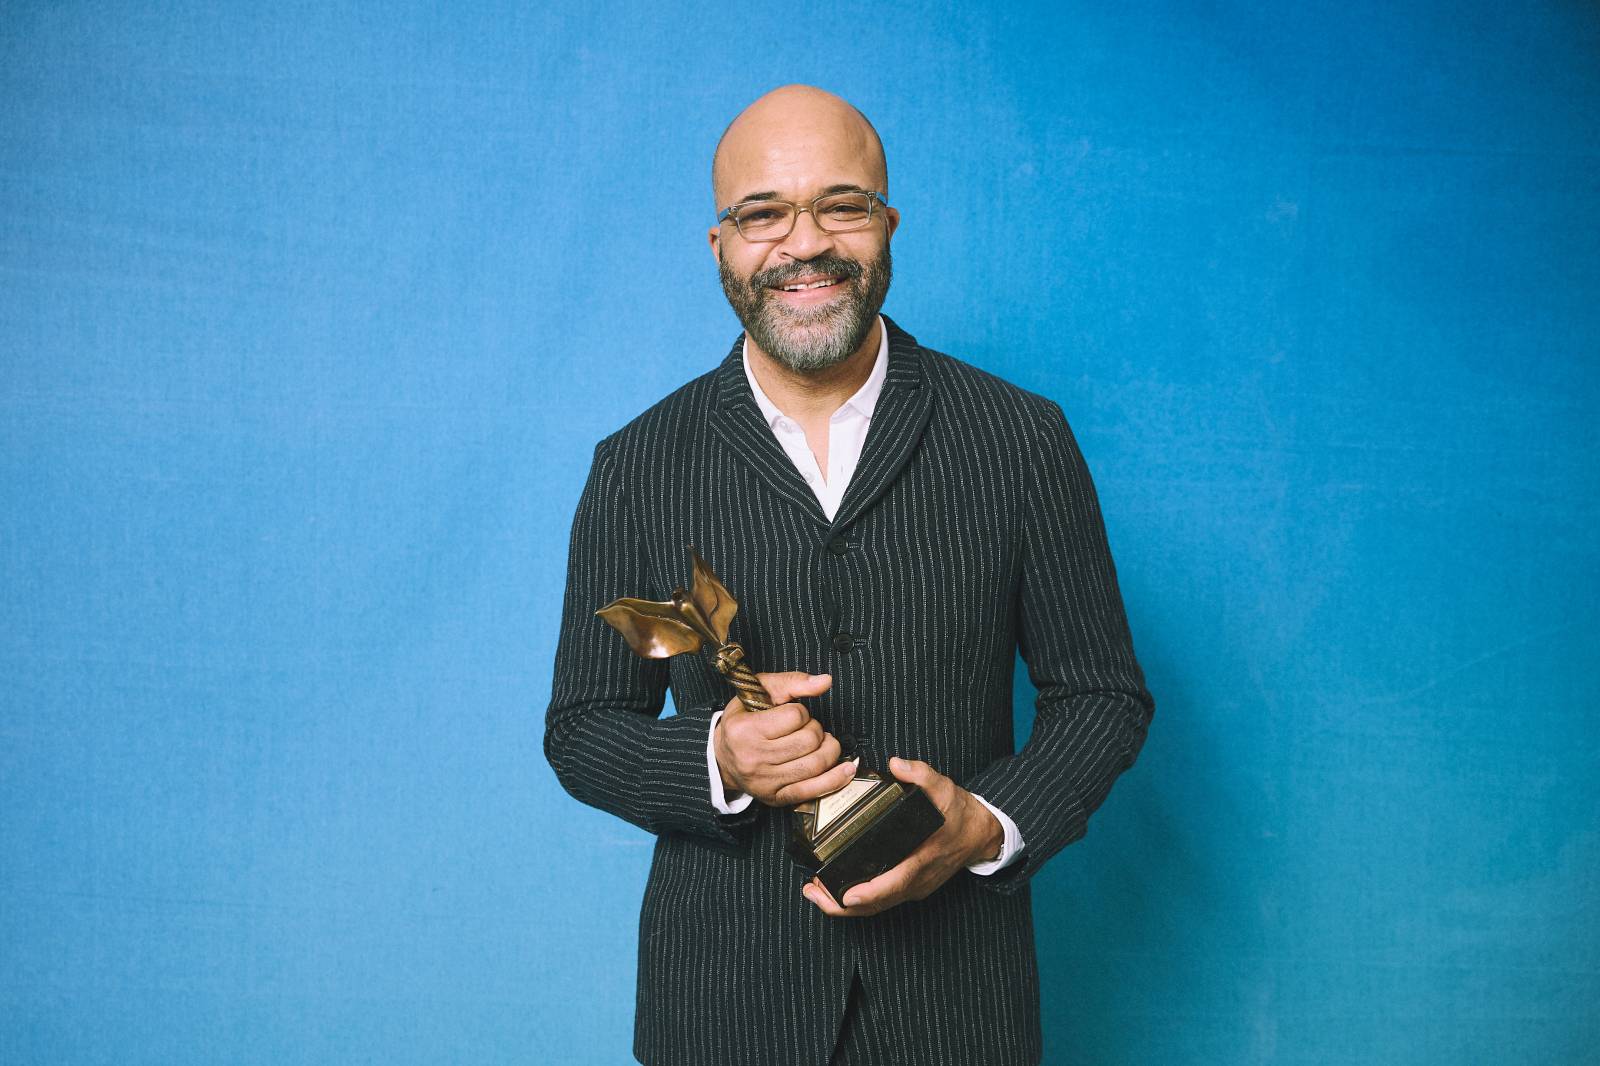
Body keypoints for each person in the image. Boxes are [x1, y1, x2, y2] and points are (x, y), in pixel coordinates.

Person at [546, 84, 1153, 1066]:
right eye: (762, 213)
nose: (803, 242)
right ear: (720, 246)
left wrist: (986, 826)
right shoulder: (637, 465)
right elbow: (582, 728)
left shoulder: (1020, 438)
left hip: (961, 1007)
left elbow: (1098, 694)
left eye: (841, 204)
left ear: (886, 224)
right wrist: (720, 760)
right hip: (722, 1012)